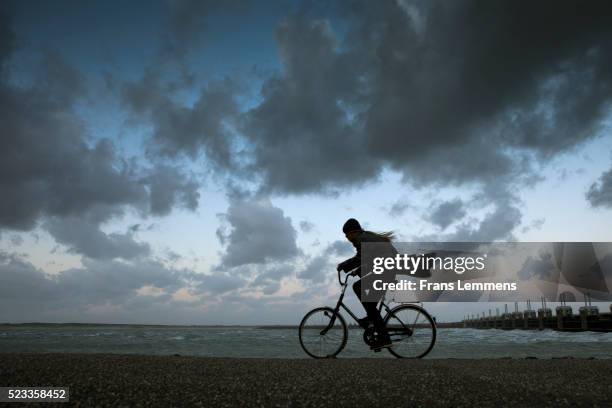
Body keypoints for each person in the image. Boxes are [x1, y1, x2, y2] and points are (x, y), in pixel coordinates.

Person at [336, 218, 397, 350]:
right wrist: (357, 271)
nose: (347, 238)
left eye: (347, 235)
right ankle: (371, 319)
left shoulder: (361, 239)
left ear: (353, 232)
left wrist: (343, 265)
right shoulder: (367, 237)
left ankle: (384, 338)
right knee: (370, 304)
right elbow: (369, 258)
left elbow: (361, 258)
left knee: (357, 287)